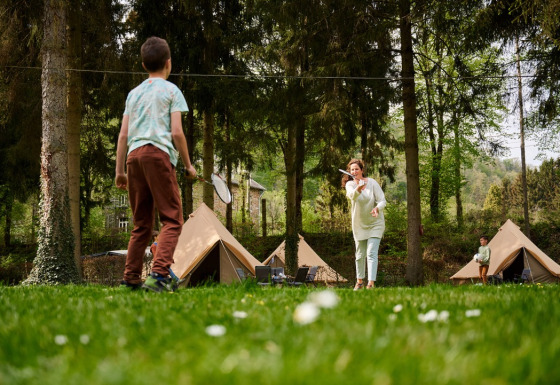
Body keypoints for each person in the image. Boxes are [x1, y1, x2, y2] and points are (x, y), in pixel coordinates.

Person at [115, 36, 196, 292]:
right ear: (168, 63)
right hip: (157, 155)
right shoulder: (172, 91)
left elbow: (124, 135)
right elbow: (177, 133)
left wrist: (120, 171)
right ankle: (159, 276)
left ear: (143, 65)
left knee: (141, 224)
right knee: (172, 220)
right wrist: (189, 165)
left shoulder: (133, 94)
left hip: (133, 158)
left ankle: (130, 280)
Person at [342, 159, 386, 290]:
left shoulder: (372, 183)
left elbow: (382, 201)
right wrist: (358, 189)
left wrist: (377, 208)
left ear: (362, 170)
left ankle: (371, 283)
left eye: (356, 169)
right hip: (359, 224)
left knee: (371, 253)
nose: (354, 171)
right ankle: (359, 281)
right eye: (352, 170)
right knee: (360, 255)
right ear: (350, 172)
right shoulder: (350, 185)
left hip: (375, 223)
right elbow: (352, 196)